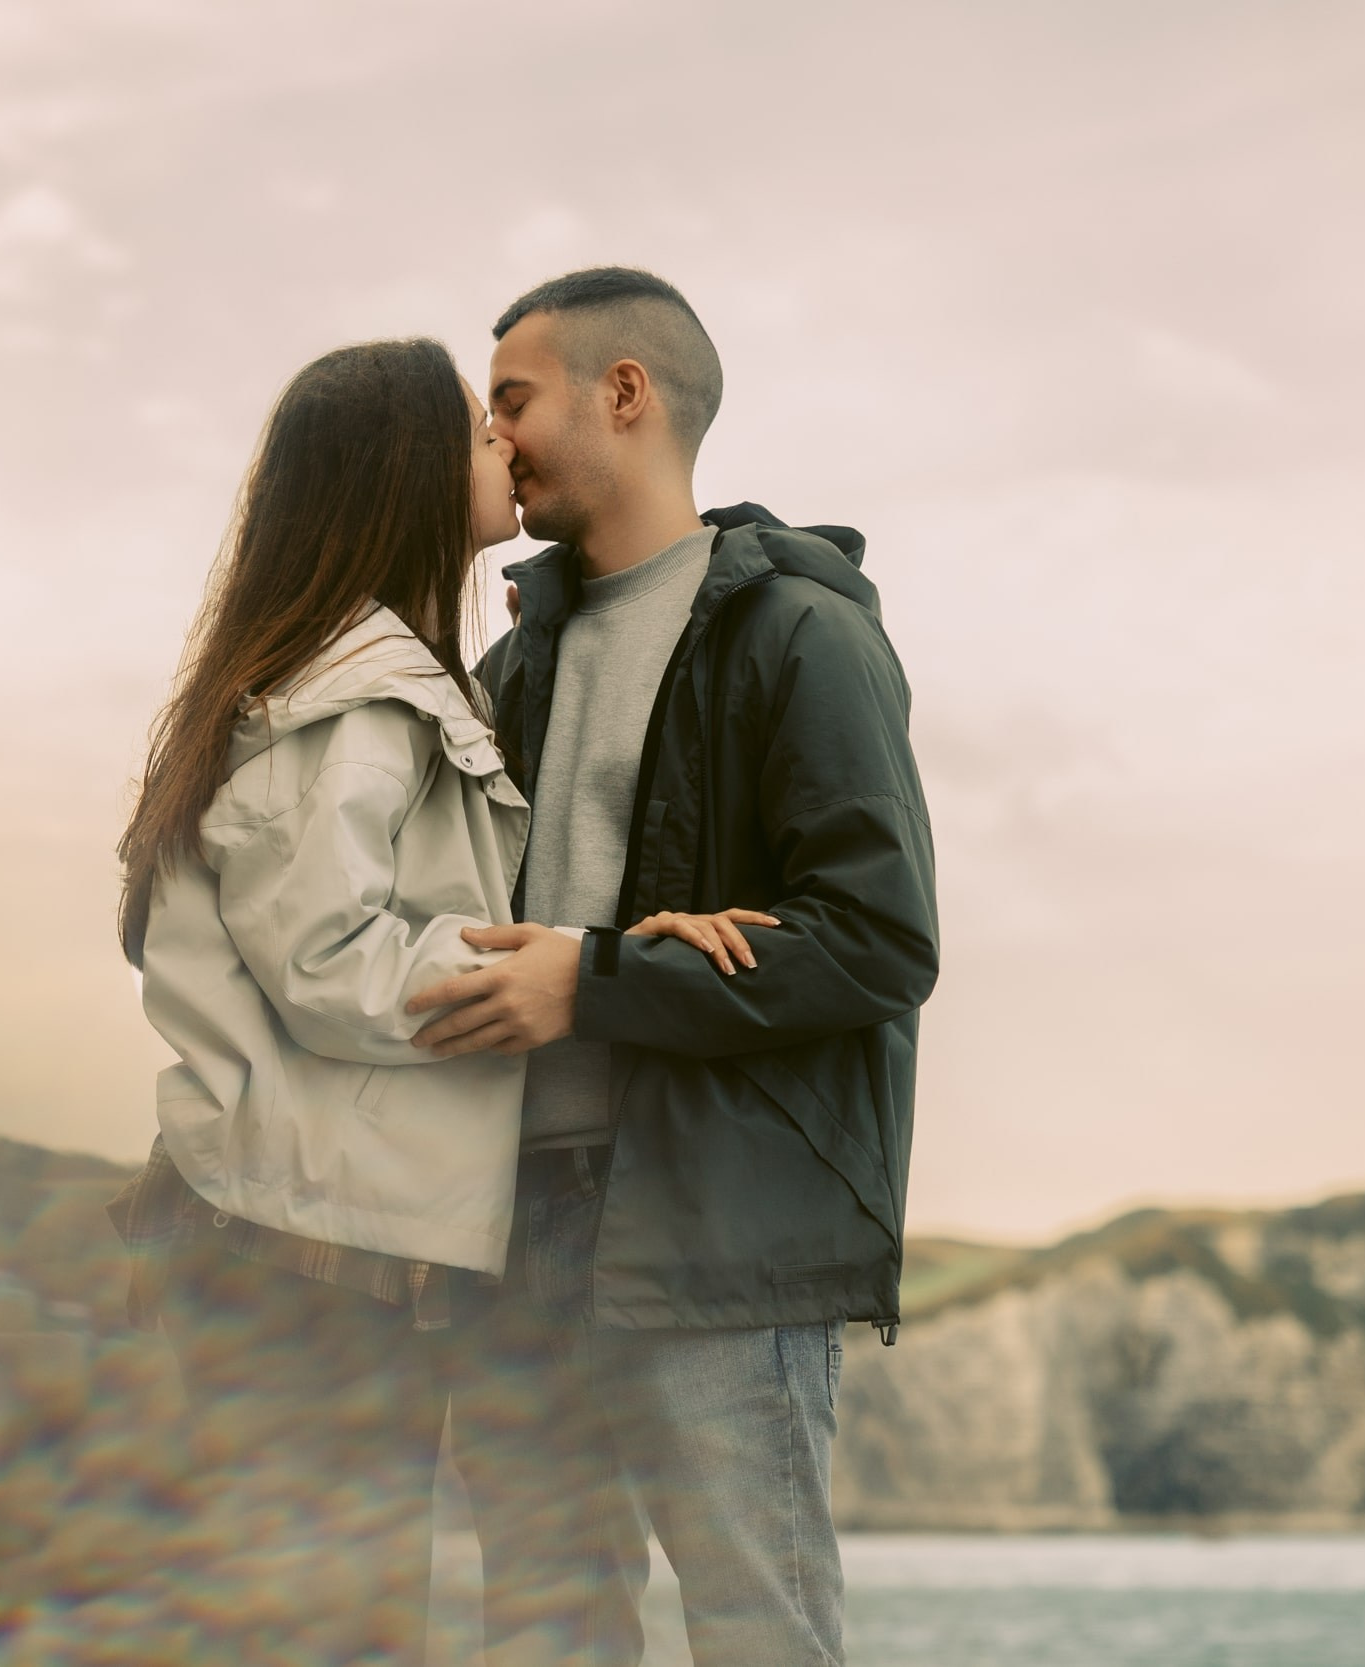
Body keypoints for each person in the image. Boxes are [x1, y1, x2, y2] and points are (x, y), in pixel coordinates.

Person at [105, 337, 746, 1662]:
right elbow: (329, 959)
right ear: (402, 475)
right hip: (296, 1265)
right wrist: (573, 968)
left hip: (302, 1250)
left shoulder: (351, 677)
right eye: (473, 428)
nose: (502, 443)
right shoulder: (356, 702)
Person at [406, 269, 940, 1666]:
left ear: (625, 393)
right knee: (544, 1636)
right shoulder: (513, 665)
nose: (492, 436)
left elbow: (881, 939)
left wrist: (592, 981)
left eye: (513, 399)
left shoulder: (803, 634)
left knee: (760, 1633)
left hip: (714, 1236)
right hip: (513, 1227)